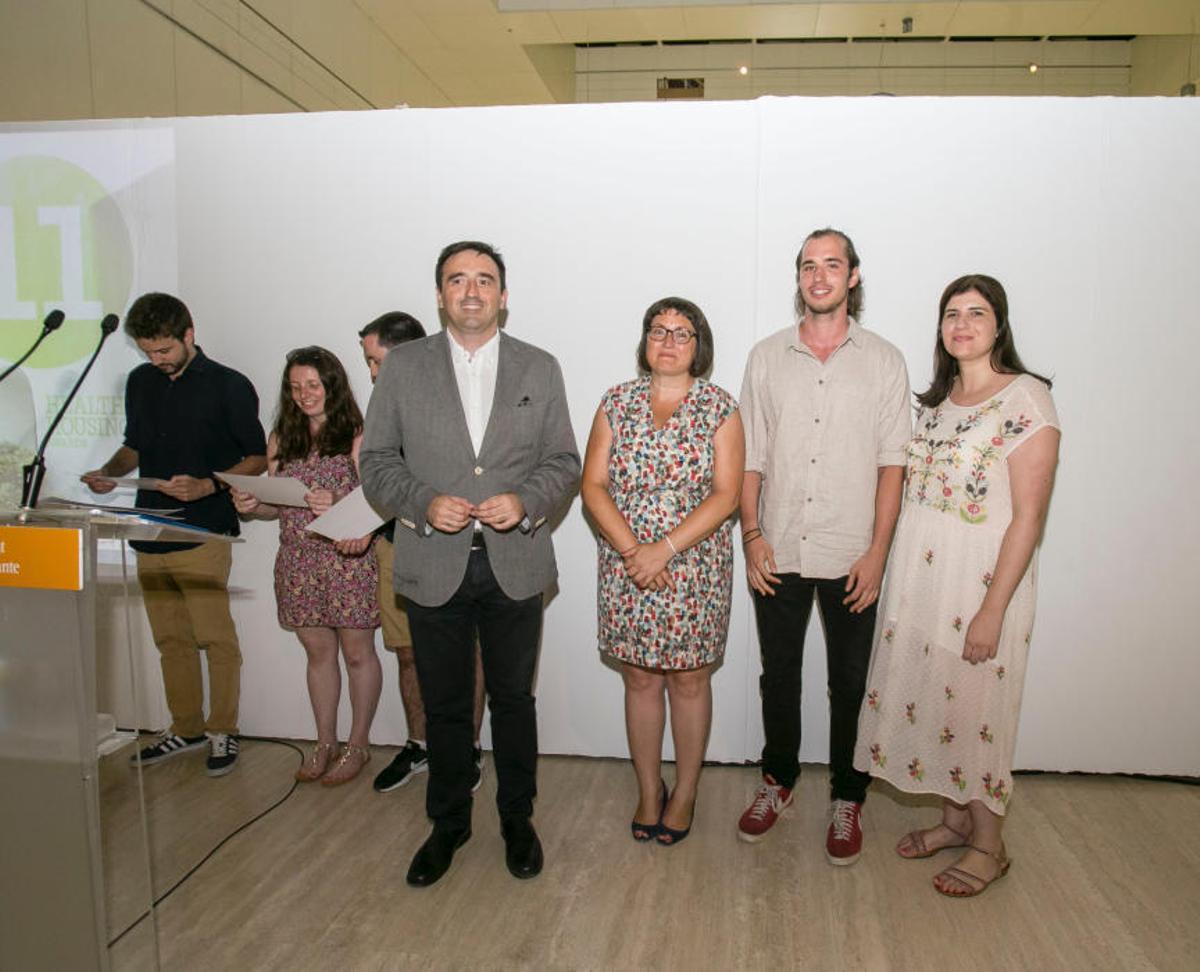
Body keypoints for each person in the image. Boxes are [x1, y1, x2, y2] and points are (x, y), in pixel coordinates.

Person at [360, 241, 580, 887]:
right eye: (458, 280)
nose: (472, 291)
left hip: (515, 563)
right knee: (447, 706)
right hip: (433, 561)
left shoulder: (539, 366)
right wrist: (424, 503)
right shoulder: (404, 366)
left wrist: (527, 500)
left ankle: (517, 819)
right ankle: (448, 823)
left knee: (514, 701)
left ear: (503, 295)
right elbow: (377, 462)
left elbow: (563, 461)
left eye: (485, 279)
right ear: (440, 295)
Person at [853, 274, 1060, 897]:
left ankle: (990, 846)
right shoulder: (938, 405)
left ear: (1000, 325)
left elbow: (1028, 519)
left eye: (976, 313)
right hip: (924, 584)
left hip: (980, 588)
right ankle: (954, 821)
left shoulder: (1026, 400)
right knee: (943, 705)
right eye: (951, 314)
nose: (961, 324)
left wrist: (992, 610)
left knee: (979, 713)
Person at [736, 228, 911, 864]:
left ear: (852, 276)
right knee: (778, 676)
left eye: (831, 265)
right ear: (799, 277)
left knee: (851, 682)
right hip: (778, 547)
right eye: (808, 266)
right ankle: (778, 780)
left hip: (852, 553)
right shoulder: (765, 357)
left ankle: (848, 796)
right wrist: (751, 535)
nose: (819, 276)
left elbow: (893, 464)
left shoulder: (884, 360)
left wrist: (877, 552)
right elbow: (750, 457)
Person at [82, 292, 267, 776]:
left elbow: (257, 458)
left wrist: (208, 484)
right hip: (148, 530)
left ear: (189, 334)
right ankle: (186, 727)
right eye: (148, 352)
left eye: (164, 350)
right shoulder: (140, 382)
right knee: (170, 640)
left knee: (215, 639)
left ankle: (222, 730)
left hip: (204, 531)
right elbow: (134, 446)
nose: (156, 360)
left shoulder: (229, 384)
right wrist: (109, 473)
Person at [580, 297, 743, 846]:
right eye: (658, 330)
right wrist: (635, 552)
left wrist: (664, 549)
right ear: (644, 341)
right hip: (626, 565)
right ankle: (649, 789)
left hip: (693, 567)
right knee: (640, 678)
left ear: (700, 346)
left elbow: (727, 495)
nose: (668, 341)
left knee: (690, 679)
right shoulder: (616, 402)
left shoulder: (720, 407)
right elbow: (592, 486)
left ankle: (687, 791)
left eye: (682, 332)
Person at [231, 347, 380, 786]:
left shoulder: (358, 434)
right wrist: (253, 503)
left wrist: (337, 500)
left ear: (332, 386)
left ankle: (358, 744)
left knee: (358, 654)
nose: (304, 394)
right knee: (318, 655)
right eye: (296, 387)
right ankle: (325, 742)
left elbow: (378, 499)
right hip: (297, 561)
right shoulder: (282, 437)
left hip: (347, 559)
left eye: (313, 385)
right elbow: (274, 508)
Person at [358, 312, 487, 793]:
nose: (374, 373)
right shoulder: (381, 406)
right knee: (409, 654)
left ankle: (467, 747)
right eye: (369, 364)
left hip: (460, 550)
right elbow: (378, 479)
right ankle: (420, 744)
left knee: (467, 656)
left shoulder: (458, 396)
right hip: (398, 546)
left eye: (378, 361)